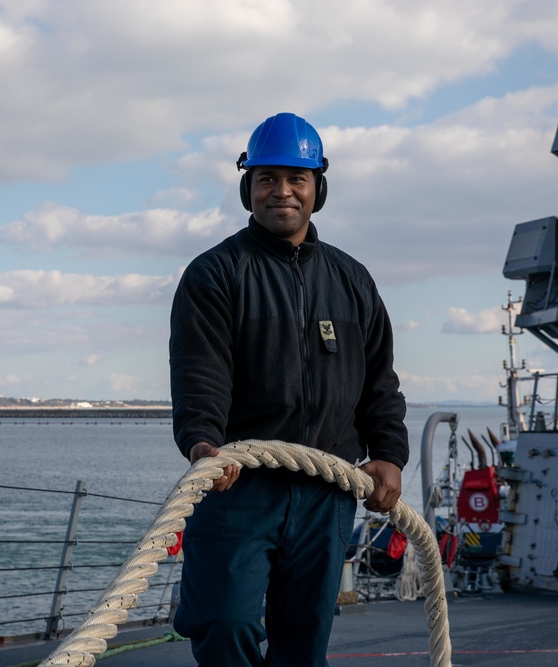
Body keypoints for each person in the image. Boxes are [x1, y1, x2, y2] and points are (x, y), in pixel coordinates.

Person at [168, 112, 410, 667]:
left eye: (296, 179)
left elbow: (380, 383)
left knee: (304, 644)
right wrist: (203, 445)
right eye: (267, 178)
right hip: (237, 487)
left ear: (317, 188)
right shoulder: (215, 274)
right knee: (223, 622)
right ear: (247, 187)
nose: (282, 192)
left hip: (326, 493)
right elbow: (199, 376)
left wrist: (389, 456)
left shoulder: (353, 281)